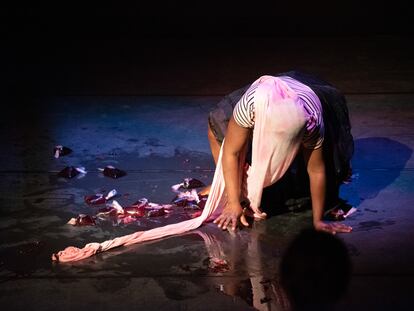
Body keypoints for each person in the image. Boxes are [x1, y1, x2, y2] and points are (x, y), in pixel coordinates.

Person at [207, 71, 354, 234]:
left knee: (298, 182)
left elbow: (316, 170)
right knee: (217, 126)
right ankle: (231, 190)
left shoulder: (312, 122)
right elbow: (231, 153)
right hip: (267, 102)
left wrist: (318, 221)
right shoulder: (249, 106)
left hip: (304, 97)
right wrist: (233, 201)